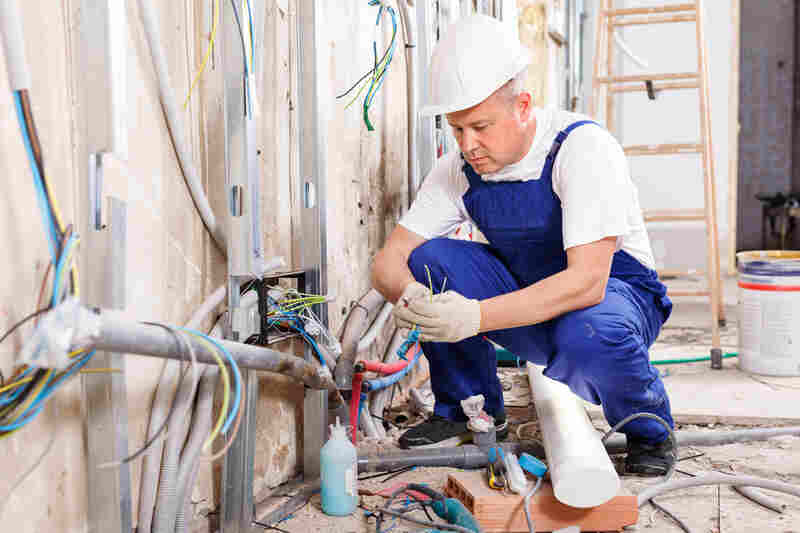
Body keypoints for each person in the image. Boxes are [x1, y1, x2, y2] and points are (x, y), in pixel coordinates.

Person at [371, 14, 675, 476]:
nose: (468, 144)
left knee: (588, 332)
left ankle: (649, 429)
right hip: (530, 300)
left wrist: (472, 317)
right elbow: (390, 259)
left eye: (480, 127)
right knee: (428, 260)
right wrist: (411, 295)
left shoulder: (580, 148)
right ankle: (464, 409)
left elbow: (588, 282)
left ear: (523, 106)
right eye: (456, 130)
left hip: (614, 300)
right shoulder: (458, 169)